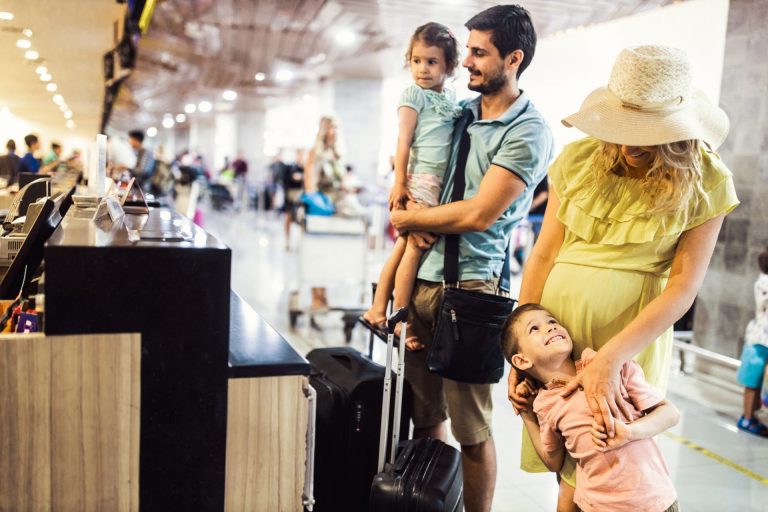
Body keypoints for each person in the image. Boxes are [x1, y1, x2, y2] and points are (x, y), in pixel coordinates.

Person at [507, 45, 740, 510]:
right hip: (557, 331)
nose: (630, 145)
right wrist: (517, 346)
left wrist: (612, 358)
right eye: (622, 128)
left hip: (632, 336)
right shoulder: (578, 161)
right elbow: (544, 253)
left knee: (618, 459)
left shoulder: (707, 181)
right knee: (571, 450)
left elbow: (683, 286)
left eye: (646, 134)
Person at [389, 6, 554, 511]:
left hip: (472, 292)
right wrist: (399, 192)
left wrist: (411, 220)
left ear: (514, 58)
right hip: (419, 281)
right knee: (425, 415)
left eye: (480, 54)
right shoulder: (458, 112)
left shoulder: (528, 131)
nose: (468, 65)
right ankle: (430, 501)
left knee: (473, 430)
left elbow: (481, 213)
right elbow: (417, 157)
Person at [503, 304, 681, 512]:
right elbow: (553, 462)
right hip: (597, 506)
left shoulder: (610, 368)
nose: (550, 327)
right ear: (522, 360)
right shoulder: (545, 403)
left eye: (552, 321)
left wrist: (630, 432)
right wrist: (527, 413)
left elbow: (671, 414)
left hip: (654, 501)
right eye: (534, 328)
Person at [360, 21, 462, 336]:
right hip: (422, 180)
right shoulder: (413, 95)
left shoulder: (450, 99)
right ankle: (401, 321)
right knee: (413, 249)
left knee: (404, 246)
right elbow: (403, 141)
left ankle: (378, 308)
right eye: (416, 61)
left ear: (449, 65)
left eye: (432, 62)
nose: (422, 69)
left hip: (435, 184)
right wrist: (400, 182)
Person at [304, 117, 345, 311]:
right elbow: (310, 183)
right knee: (317, 253)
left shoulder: (336, 154)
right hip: (321, 210)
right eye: (331, 128)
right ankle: (316, 296)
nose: (334, 132)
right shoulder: (316, 153)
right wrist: (317, 205)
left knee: (330, 254)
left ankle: (324, 293)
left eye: (336, 128)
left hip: (336, 209)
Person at [736, 247, 768, 436]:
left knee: (756, 382)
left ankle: (752, 415)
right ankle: (747, 418)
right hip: (760, 340)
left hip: (761, 339)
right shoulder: (764, 282)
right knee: (752, 382)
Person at [281, 149, 305, 250]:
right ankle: (287, 240)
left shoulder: (305, 168)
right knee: (288, 217)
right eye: (299, 154)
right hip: (290, 196)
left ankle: (300, 242)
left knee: (301, 218)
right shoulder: (290, 168)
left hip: (301, 196)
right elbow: (285, 180)